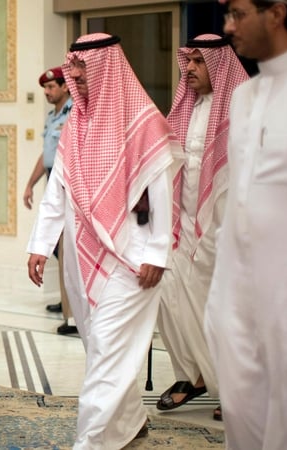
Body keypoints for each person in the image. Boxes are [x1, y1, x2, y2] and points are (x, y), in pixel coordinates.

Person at [26, 33, 178, 449]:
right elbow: (58, 190)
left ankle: (89, 443)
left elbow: (163, 190)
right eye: (71, 66)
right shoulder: (76, 123)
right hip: (82, 255)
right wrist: (40, 245)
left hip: (133, 259)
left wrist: (158, 252)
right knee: (103, 350)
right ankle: (130, 420)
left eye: (83, 68)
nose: (74, 74)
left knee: (106, 355)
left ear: (108, 69)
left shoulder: (143, 122)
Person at [205, 0, 287, 448]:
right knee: (243, 414)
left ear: (276, 13)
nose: (228, 26)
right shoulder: (243, 97)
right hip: (238, 291)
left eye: (239, 13)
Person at [156, 34, 249, 422]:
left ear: (220, 65)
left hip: (228, 226)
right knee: (169, 294)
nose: (189, 69)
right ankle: (191, 374)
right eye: (187, 61)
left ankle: (233, 389)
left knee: (219, 307)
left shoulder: (243, 108)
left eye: (198, 61)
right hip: (184, 223)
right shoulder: (184, 109)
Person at [22, 66, 76, 334]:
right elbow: (46, 154)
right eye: (45, 87)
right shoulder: (52, 116)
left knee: (68, 248)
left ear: (66, 86)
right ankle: (68, 302)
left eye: (52, 86)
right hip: (52, 179)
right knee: (58, 246)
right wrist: (30, 184)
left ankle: (74, 313)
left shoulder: (75, 112)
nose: (46, 91)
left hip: (69, 183)